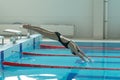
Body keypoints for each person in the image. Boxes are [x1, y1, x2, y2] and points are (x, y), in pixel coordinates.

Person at [22, 24, 92, 62]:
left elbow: (80, 52)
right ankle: (28, 27)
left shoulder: (75, 45)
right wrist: (85, 60)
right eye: (72, 52)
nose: (72, 51)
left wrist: (87, 57)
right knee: (41, 31)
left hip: (58, 34)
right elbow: (78, 54)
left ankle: (29, 26)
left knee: (41, 30)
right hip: (56, 37)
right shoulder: (72, 47)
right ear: (72, 51)